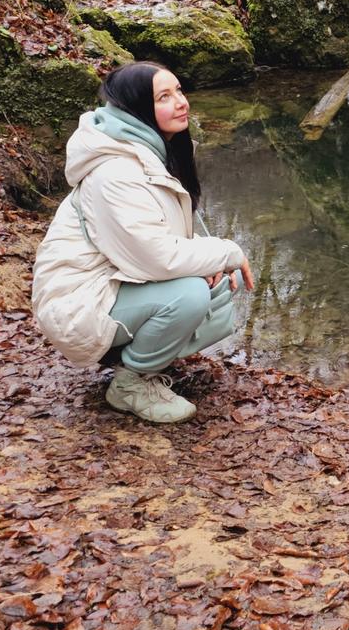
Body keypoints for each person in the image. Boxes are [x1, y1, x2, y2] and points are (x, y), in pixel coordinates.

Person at [32, 61, 254, 423]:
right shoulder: (116, 172)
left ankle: (140, 361)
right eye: (164, 97)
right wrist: (225, 252)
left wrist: (210, 263)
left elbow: (153, 237)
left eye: (179, 91)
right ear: (136, 108)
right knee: (191, 294)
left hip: (111, 286)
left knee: (215, 288)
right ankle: (131, 383)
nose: (181, 102)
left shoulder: (147, 152)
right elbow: (156, 259)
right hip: (78, 305)